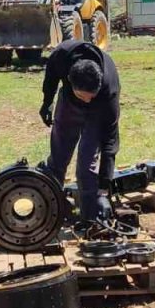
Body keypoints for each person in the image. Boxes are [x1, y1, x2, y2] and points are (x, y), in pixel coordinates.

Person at [39, 38, 120, 224]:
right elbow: (51, 76)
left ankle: (90, 217)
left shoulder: (109, 91)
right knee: (58, 157)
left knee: (86, 164)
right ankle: (51, 210)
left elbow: (110, 141)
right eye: (82, 96)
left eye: (90, 96)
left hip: (98, 113)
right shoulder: (61, 55)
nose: (87, 101)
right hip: (68, 104)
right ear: (69, 79)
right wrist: (47, 102)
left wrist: (104, 189)